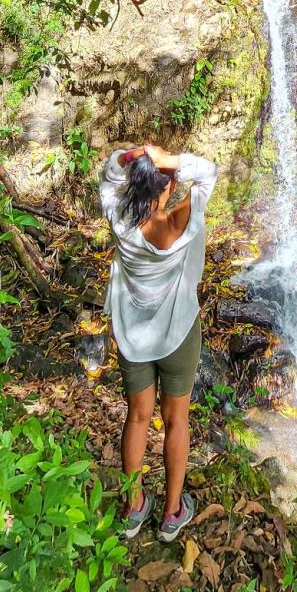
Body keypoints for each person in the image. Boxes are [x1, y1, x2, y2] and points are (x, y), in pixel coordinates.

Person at [98, 140, 218, 542]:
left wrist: (132, 158)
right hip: (179, 333)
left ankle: (133, 509)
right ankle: (172, 513)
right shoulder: (183, 222)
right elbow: (208, 173)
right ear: (166, 187)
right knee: (176, 420)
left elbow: (110, 171)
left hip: (133, 336)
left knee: (136, 417)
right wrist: (170, 161)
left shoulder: (118, 219)